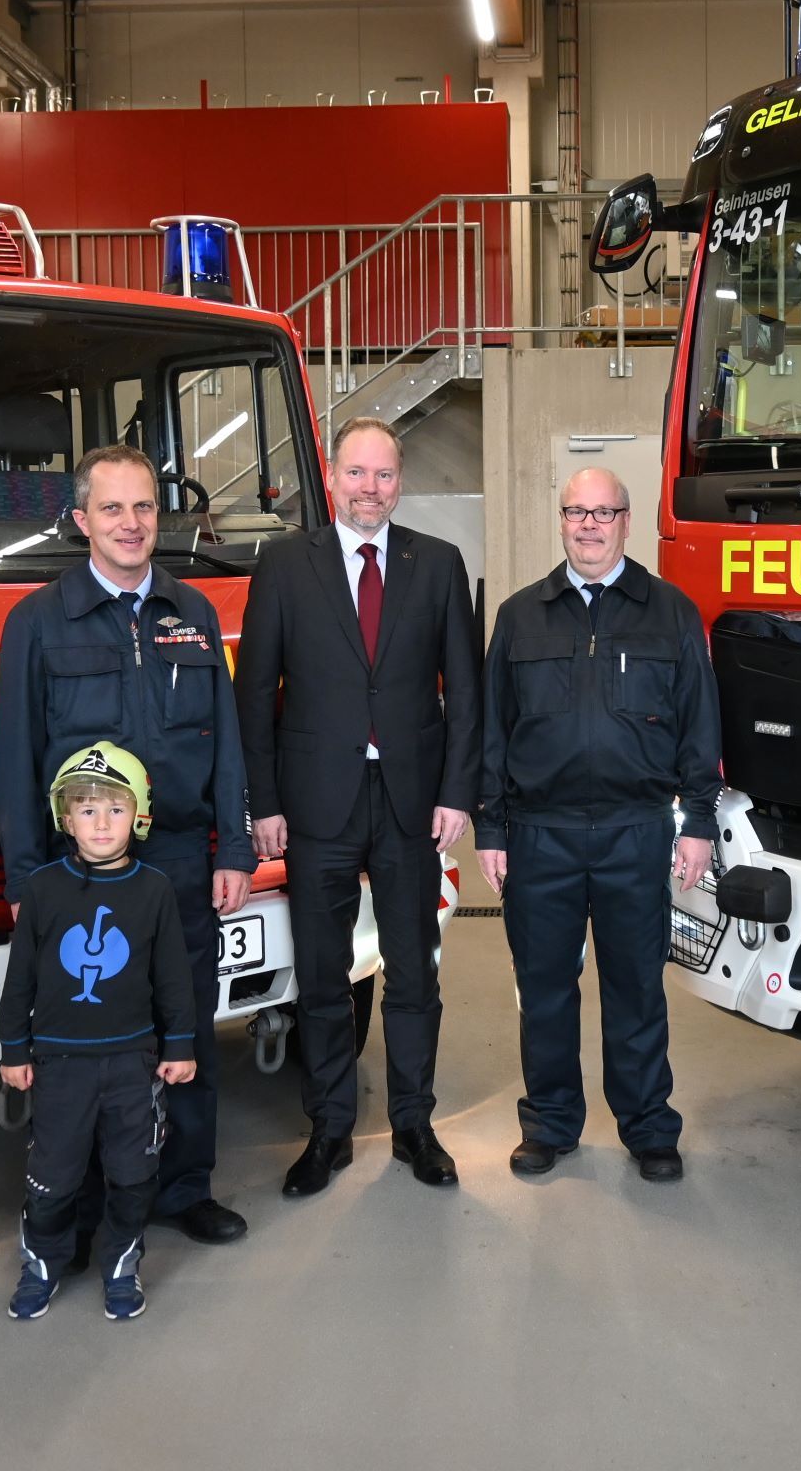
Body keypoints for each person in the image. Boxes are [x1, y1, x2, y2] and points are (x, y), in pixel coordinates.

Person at [0, 445, 255, 1248]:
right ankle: (84, 1208)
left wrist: (234, 850)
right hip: (80, 874)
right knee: (84, 1047)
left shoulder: (192, 611)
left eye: (144, 507)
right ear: (82, 521)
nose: (131, 524)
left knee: (186, 1026)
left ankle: (185, 1188)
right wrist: (24, 878)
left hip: (178, 863)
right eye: (112, 508)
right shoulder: (38, 621)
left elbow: (226, 743)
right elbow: (13, 761)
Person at [234, 415, 481, 1193]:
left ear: (399, 482)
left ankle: (414, 1126)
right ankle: (329, 1130)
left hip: (413, 804)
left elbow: (466, 690)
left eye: (384, 474)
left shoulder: (437, 564)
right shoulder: (284, 565)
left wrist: (457, 792)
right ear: (333, 478)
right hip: (316, 804)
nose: (370, 488)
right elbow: (254, 693)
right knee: (321, 974)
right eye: (356, 473)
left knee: (414, 974)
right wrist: (264, 803)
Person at [477, 468, 721, 1183]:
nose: (589, 525)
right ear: (561, 521)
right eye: (576, 512)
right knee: (544, 989)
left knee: (636, 987)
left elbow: (699, 725)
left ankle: (648, 1127)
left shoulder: (670, 612)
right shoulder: (520, 616)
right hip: (539, 833)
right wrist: (491, 828)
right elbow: (492, 732)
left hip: (635, 830)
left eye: (603, 512)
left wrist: (698, 820)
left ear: (626, 520)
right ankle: (550, 1125)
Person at [0, 742, 198, 1323]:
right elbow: (20, 978)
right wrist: (13, 1048)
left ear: (139, 816)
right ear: (65, 818)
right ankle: (42, 1264)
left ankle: (122, 1266)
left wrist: (180, 1043)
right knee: (52, 1179)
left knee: (134, 1175)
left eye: (115, 809)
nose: (102, 823)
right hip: (59, 1064)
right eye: (87, 810)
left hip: (134, 1062)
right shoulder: (41, 889)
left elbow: (173, 977)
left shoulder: (154, 889)